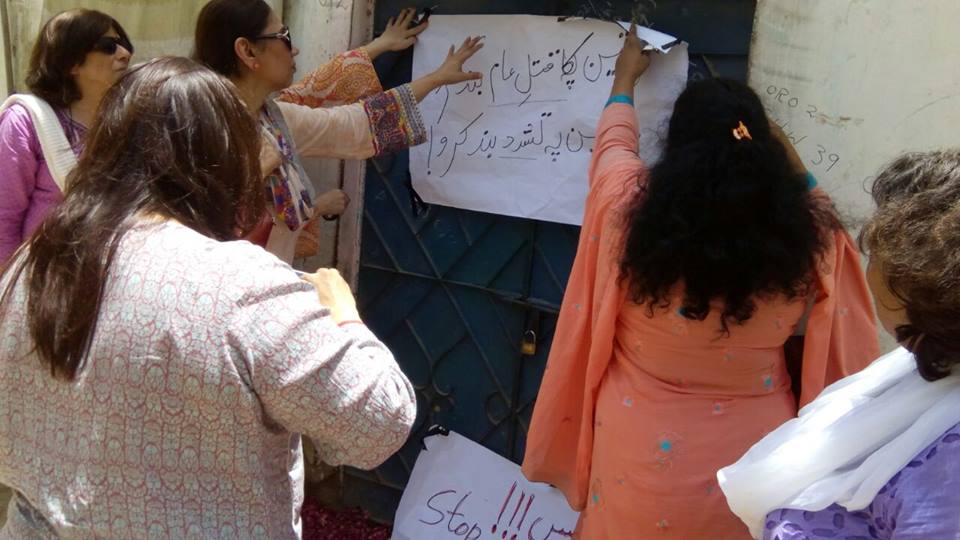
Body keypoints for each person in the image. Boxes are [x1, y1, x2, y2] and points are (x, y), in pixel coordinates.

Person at [0, 57, 416, 539]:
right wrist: (346, 318)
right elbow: (377, 427)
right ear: (225, 160)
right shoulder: (238, 284)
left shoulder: (32, 266)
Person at [521, 26, 879, 538]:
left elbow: (612, 148)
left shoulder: (627, 207)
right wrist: (763, 134)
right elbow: (817, 201)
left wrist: (624, 80)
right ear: (761, 145)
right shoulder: (810, 233)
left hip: (636, 445)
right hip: (752, 459)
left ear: (678, 141)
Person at [720, 150, 960, 540]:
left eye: (877, 250)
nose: (867, 263)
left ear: (921, 281)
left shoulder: (949, 481)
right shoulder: (918, 364)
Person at [194, 0, 483, 262]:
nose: (295, 49)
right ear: (246, 51)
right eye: (284, 37)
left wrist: (435, 78)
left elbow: (355, 121)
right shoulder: (197, 131)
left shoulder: (275, 120)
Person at [0, 9, 133, 265]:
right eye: (108, 46)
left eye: (124, 44)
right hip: (42, 283)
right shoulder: (26, 122)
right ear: (71, 62)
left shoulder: (131, 119)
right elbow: (3, 219)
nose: (125, 54)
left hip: (111, 282)